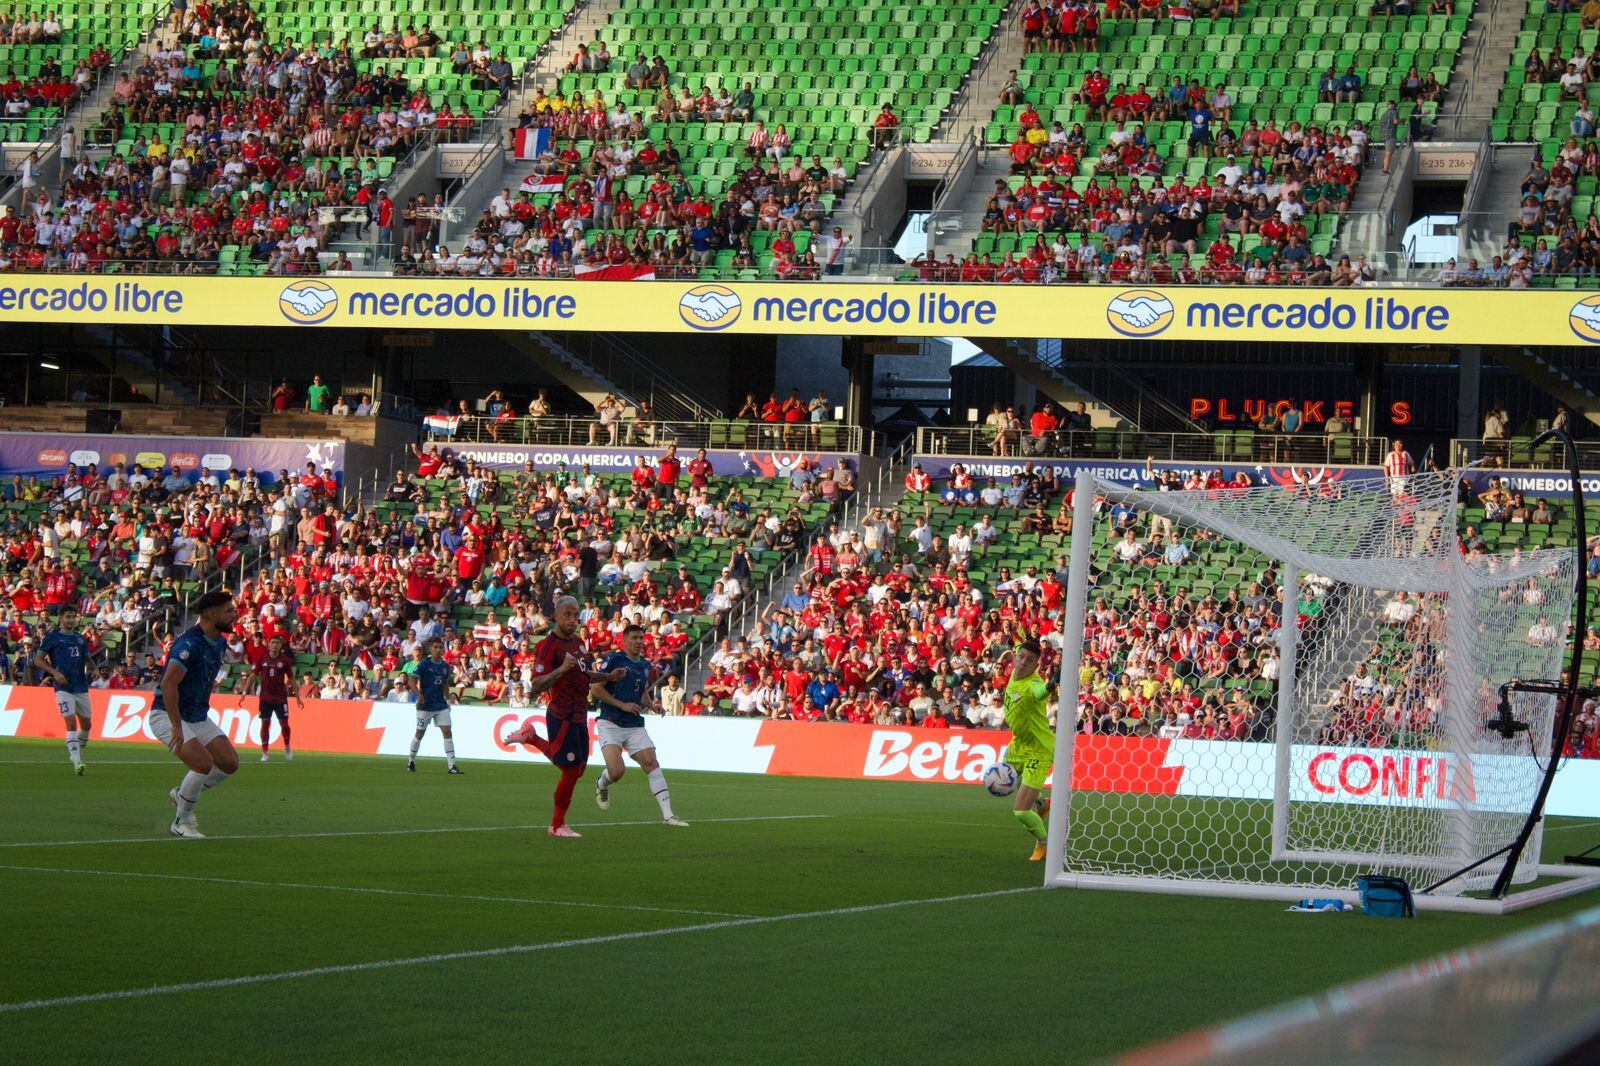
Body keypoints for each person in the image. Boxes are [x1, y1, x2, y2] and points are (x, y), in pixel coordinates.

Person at [503, 596, 627, 838]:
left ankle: (532, 738)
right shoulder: (548, 646)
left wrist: (608, 677)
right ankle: (557, 825)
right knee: (570, 771)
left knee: (578, 769)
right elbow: (537, 684)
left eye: (575, 614)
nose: (572, 619)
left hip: (580, 714)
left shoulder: (579, 643)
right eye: (567, 615)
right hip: (562, 714)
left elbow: (584, 675)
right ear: (555, 616)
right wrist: (561, 669)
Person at [150, 590, 240, 839]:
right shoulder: (188, 645)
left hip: (197, 715)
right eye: (229, 610)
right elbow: (168, 684)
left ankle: (182, 794)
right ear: (211, 614)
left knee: (229, 763)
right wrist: (176, 726)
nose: (234, 614)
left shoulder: (219, 641)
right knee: (202, 763)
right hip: (167, 714)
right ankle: (182, 819)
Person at [591, 624, 689, 826]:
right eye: (634, 638)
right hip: (610, 722)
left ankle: (668, 815)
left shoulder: (645, 666)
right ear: (624, 641)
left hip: (634, 724)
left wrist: (651, 704)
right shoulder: (613, 660)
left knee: (651, 762)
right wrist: (621, 705)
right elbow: (596, 689)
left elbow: (641, 692)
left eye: (640, 638)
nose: (638, 642)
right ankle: (602, 784)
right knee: (617, 772)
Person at [1003, 639, 1055, 861]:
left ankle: (1045, 844)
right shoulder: (1013, 676)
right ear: (1016, 657)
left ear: (1037, 665)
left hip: (1038, 750)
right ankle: (1042, 804)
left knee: (1021, 811)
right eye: (1021, 657)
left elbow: (1041, 691)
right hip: (1018, 744)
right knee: (1008, 779)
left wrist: (1051, 684)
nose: (1023, 662)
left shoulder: (1033, 684)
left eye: (1030, 660)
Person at [35, 605, 92, 774]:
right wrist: (54, 673)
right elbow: (38, 660)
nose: (71, 620)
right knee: (70, 721)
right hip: (63, 688)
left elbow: (87, 658)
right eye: (67, 616)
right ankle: (76, 761)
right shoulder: (52, 637)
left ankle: (75, 752)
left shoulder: (80, 639)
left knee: (87, 725)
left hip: (80, 687)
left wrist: (94, 668)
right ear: (60, 618)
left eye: (73, 617)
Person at [408, 639, 463, 774]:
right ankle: (411, 761)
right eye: (435, 647)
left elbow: (444, 683)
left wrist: (448, 700)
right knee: (419, 733)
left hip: (440, 705)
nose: (438, 649)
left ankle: (452, 766)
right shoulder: (423, 664)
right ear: (431, 649)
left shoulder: (445, 666)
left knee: (447, 732)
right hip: (425, 705)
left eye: (440, 647)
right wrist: (418, 694)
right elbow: (411, 681)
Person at [251, 634, 303, 762]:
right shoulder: (262, 658)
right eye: (273, 642)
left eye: (277, 643)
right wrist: (244, 692)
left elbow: (291, 678)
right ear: (268, 644)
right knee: (265, 723)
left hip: (280, 698)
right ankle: (265, 753)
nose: (275, 645)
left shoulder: (285, 660)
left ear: (280, 645)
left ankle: (287, 748)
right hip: (265, 698)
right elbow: (253, 675)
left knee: (284, 724)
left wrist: (297, 697)